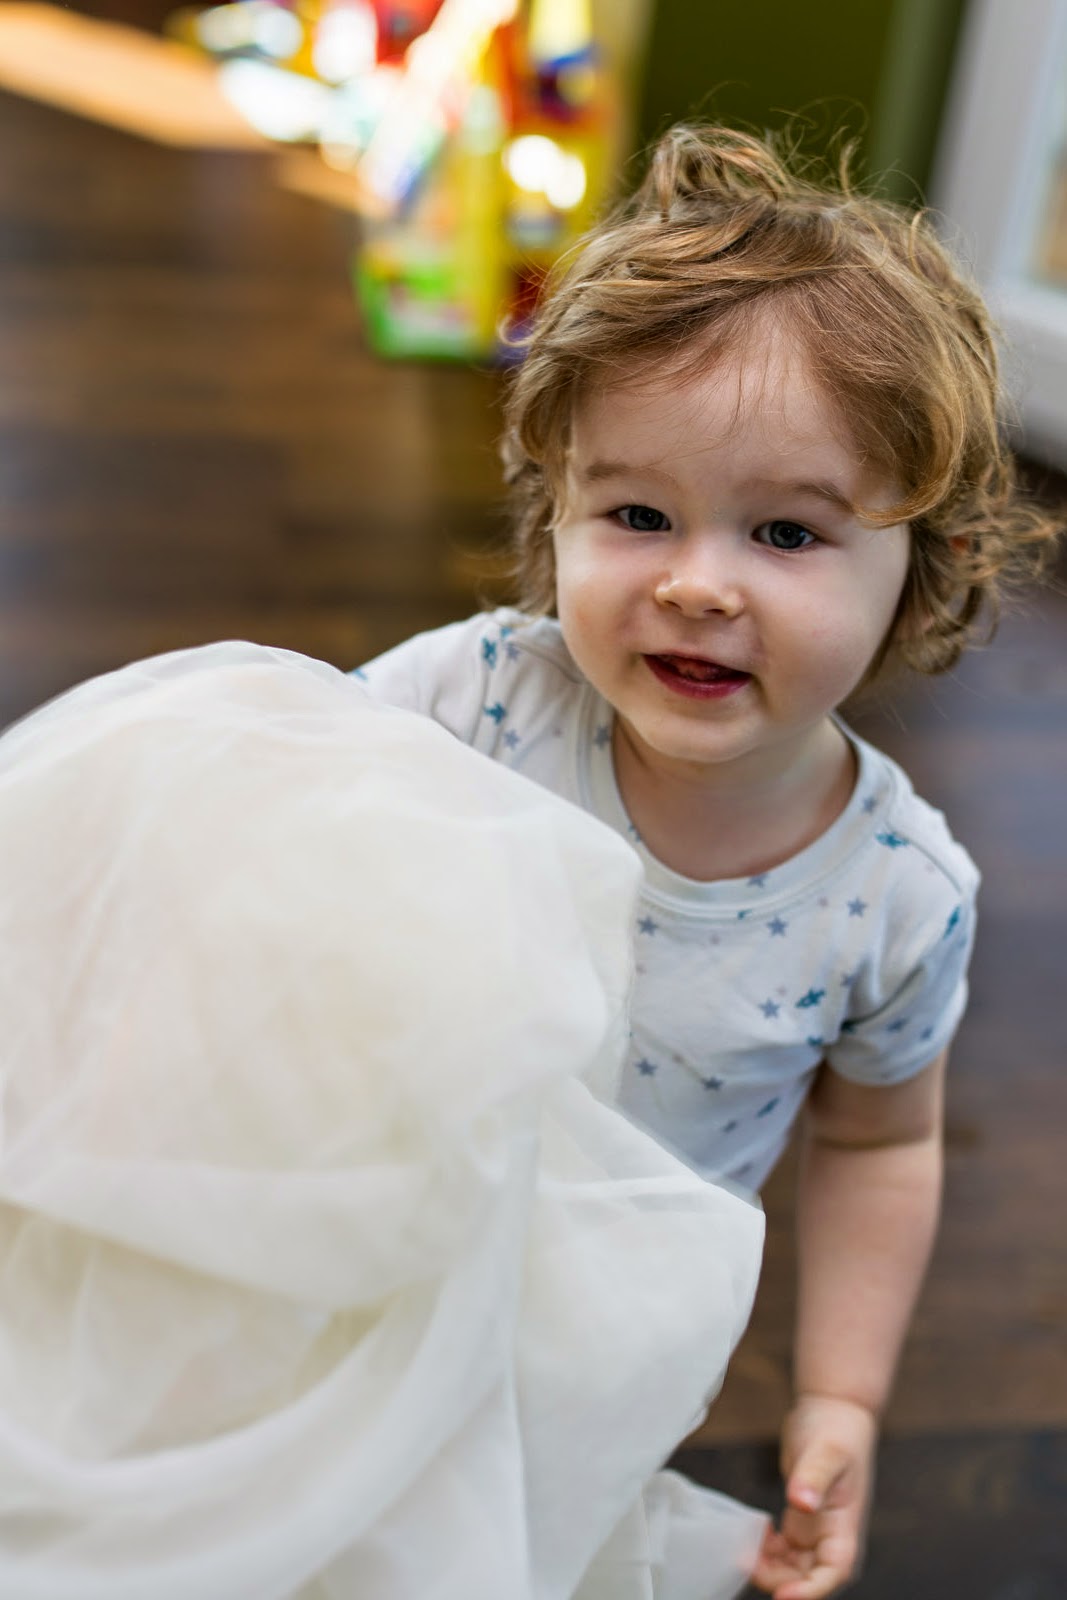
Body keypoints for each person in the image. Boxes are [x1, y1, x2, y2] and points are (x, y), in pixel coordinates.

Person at [354, 124, 1061, 1599]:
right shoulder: (471, 701)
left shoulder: (896, 899)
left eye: (787, 532)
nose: (695, 582)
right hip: (375, 1244)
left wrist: (841, 1392)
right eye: (636, 515)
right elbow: (267, 836)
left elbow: (879, 1144)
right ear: (555, 507)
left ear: (919, 570)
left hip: (599, 1344)